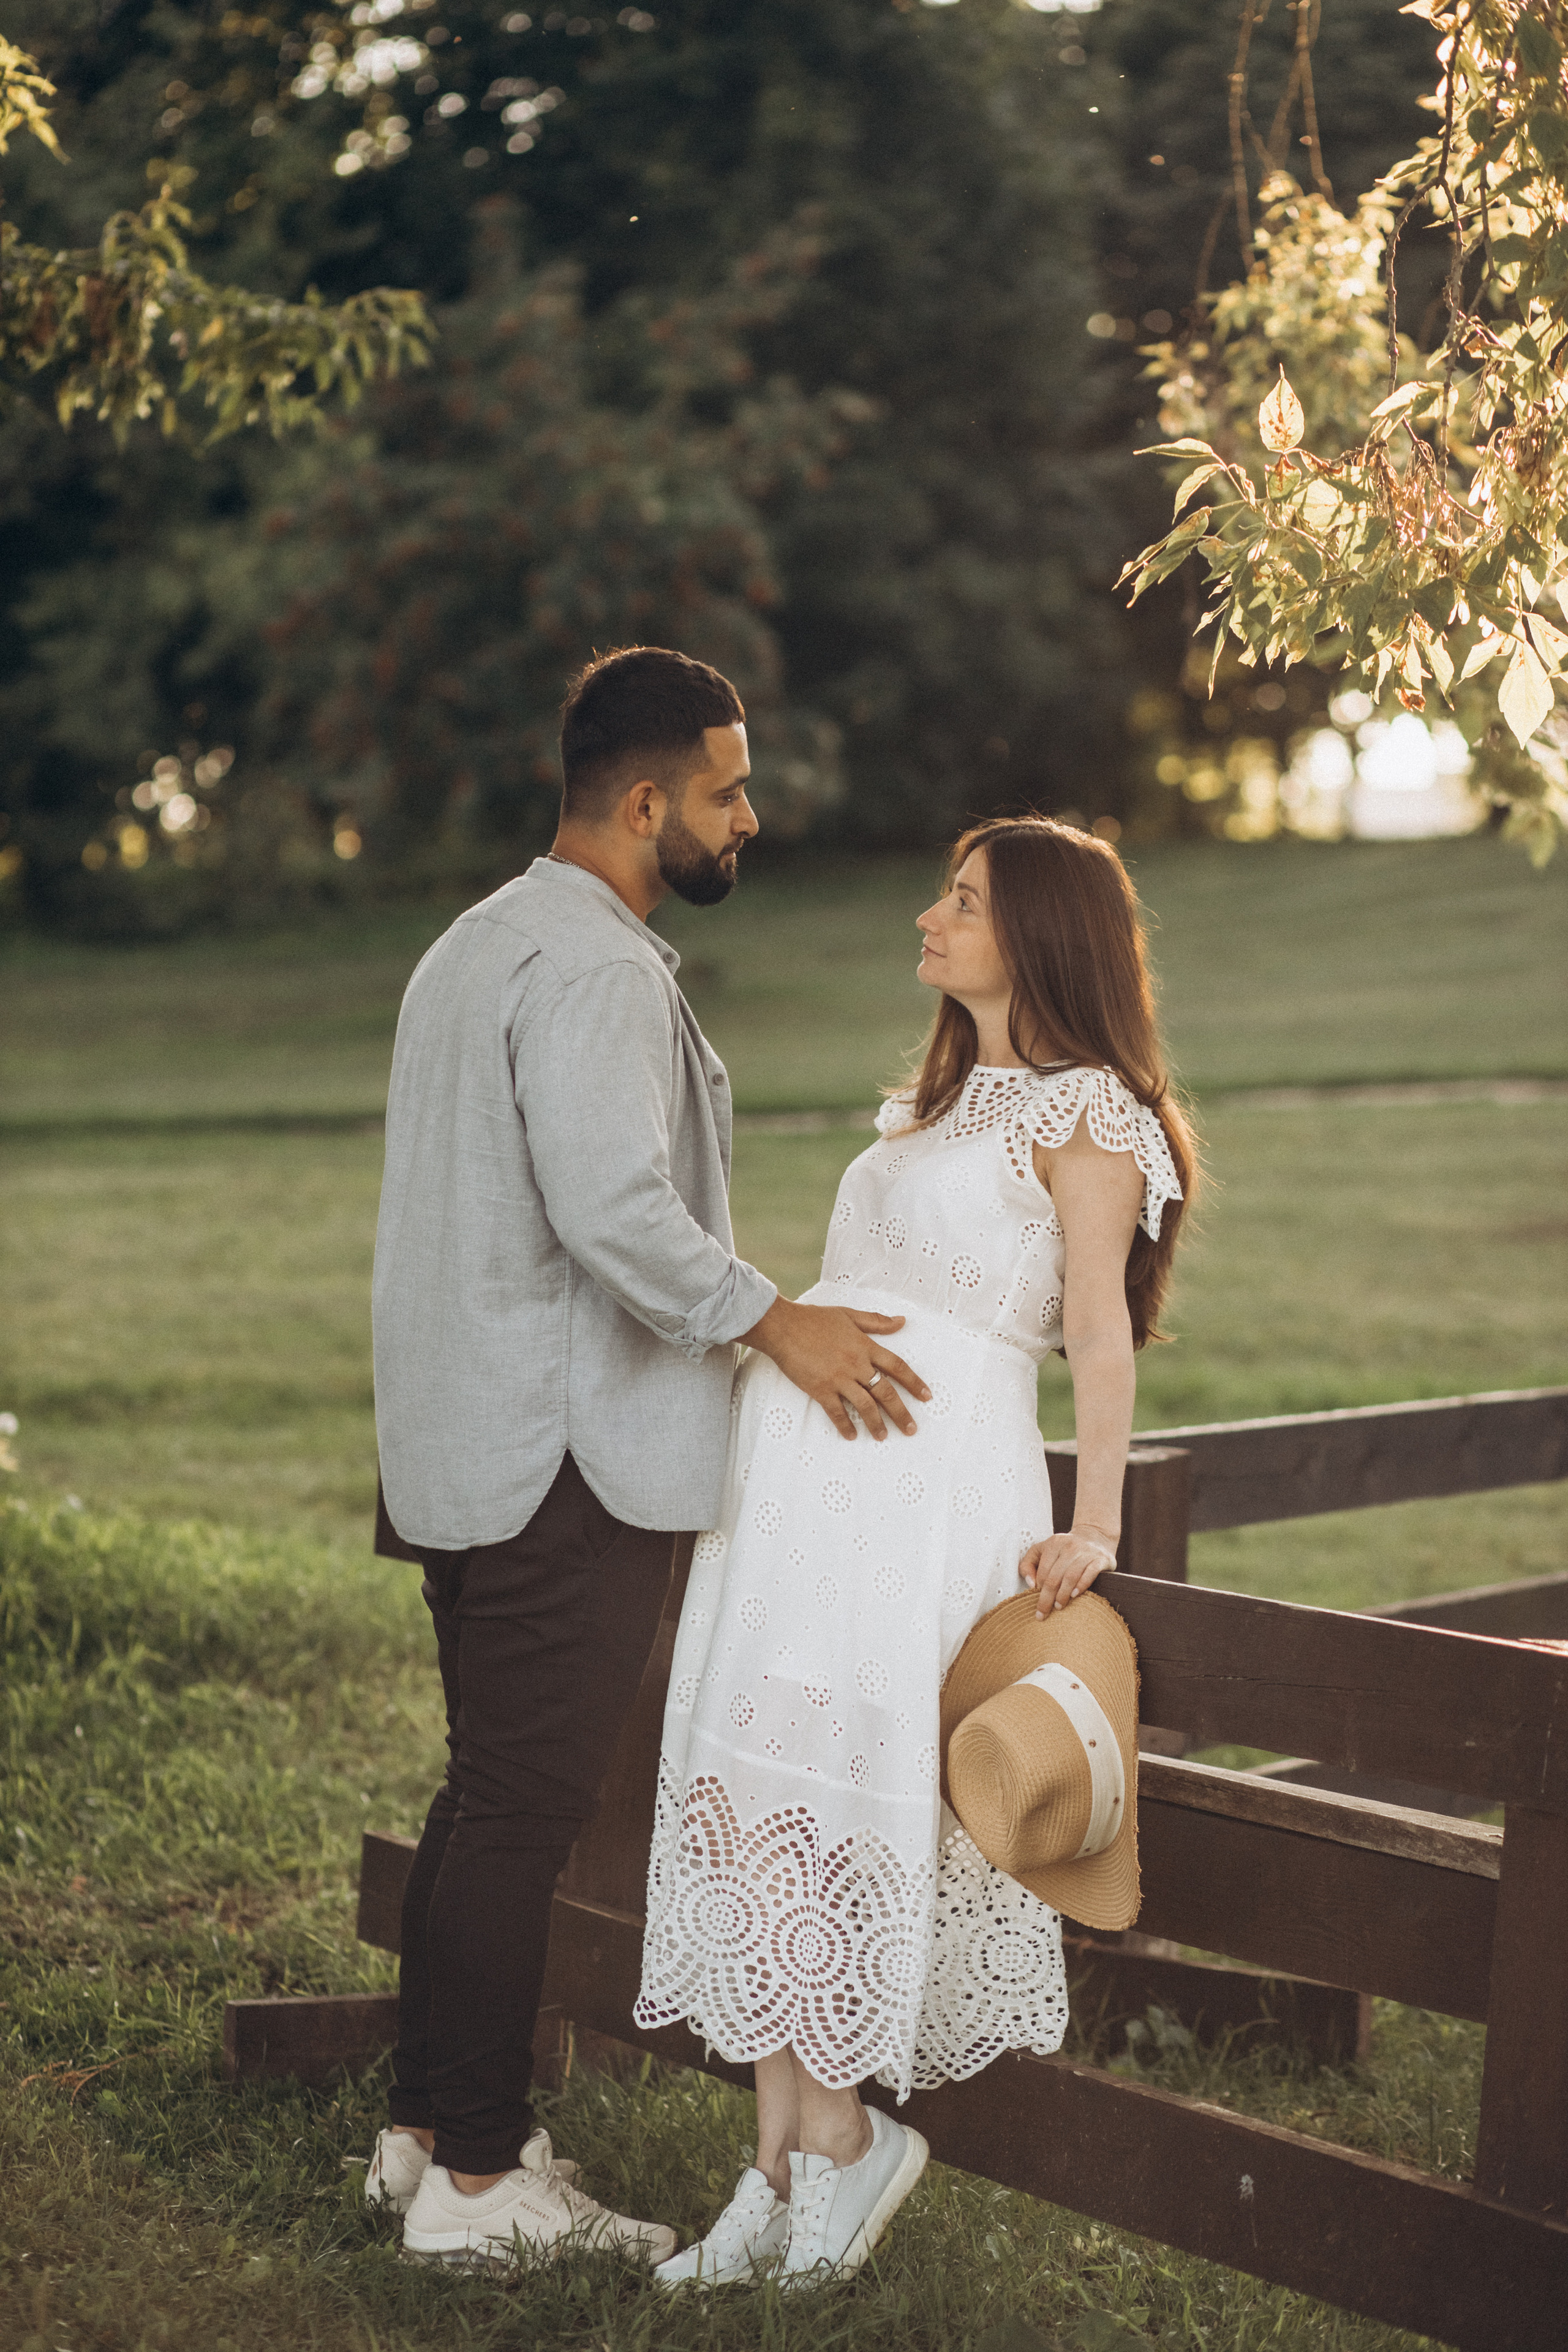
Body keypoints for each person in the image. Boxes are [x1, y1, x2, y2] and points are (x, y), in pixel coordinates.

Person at [360, 644, 930, 2272]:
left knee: (484, 1797)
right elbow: (611, 1206)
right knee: (520, 1811)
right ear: (642, 801)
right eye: (727, 792)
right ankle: (479, 2186)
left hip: (461, 1451)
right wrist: (774, 1322)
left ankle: (427, 2136)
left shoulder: (478, 941)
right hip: (561, 1464)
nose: (748, 818)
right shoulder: (600, 968)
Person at [636, 813, 1196, 2288]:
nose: (928, 920)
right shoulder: (931, 1109)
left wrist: (1092, 1521)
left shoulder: (1085, 1112)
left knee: (843, 1776)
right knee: (767, 1783)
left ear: (1042, 935)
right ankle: (777, 2164)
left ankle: (843, 2143)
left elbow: (1096, 1330)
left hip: (926, 1497)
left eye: (962, 902)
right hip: (799, 1502)